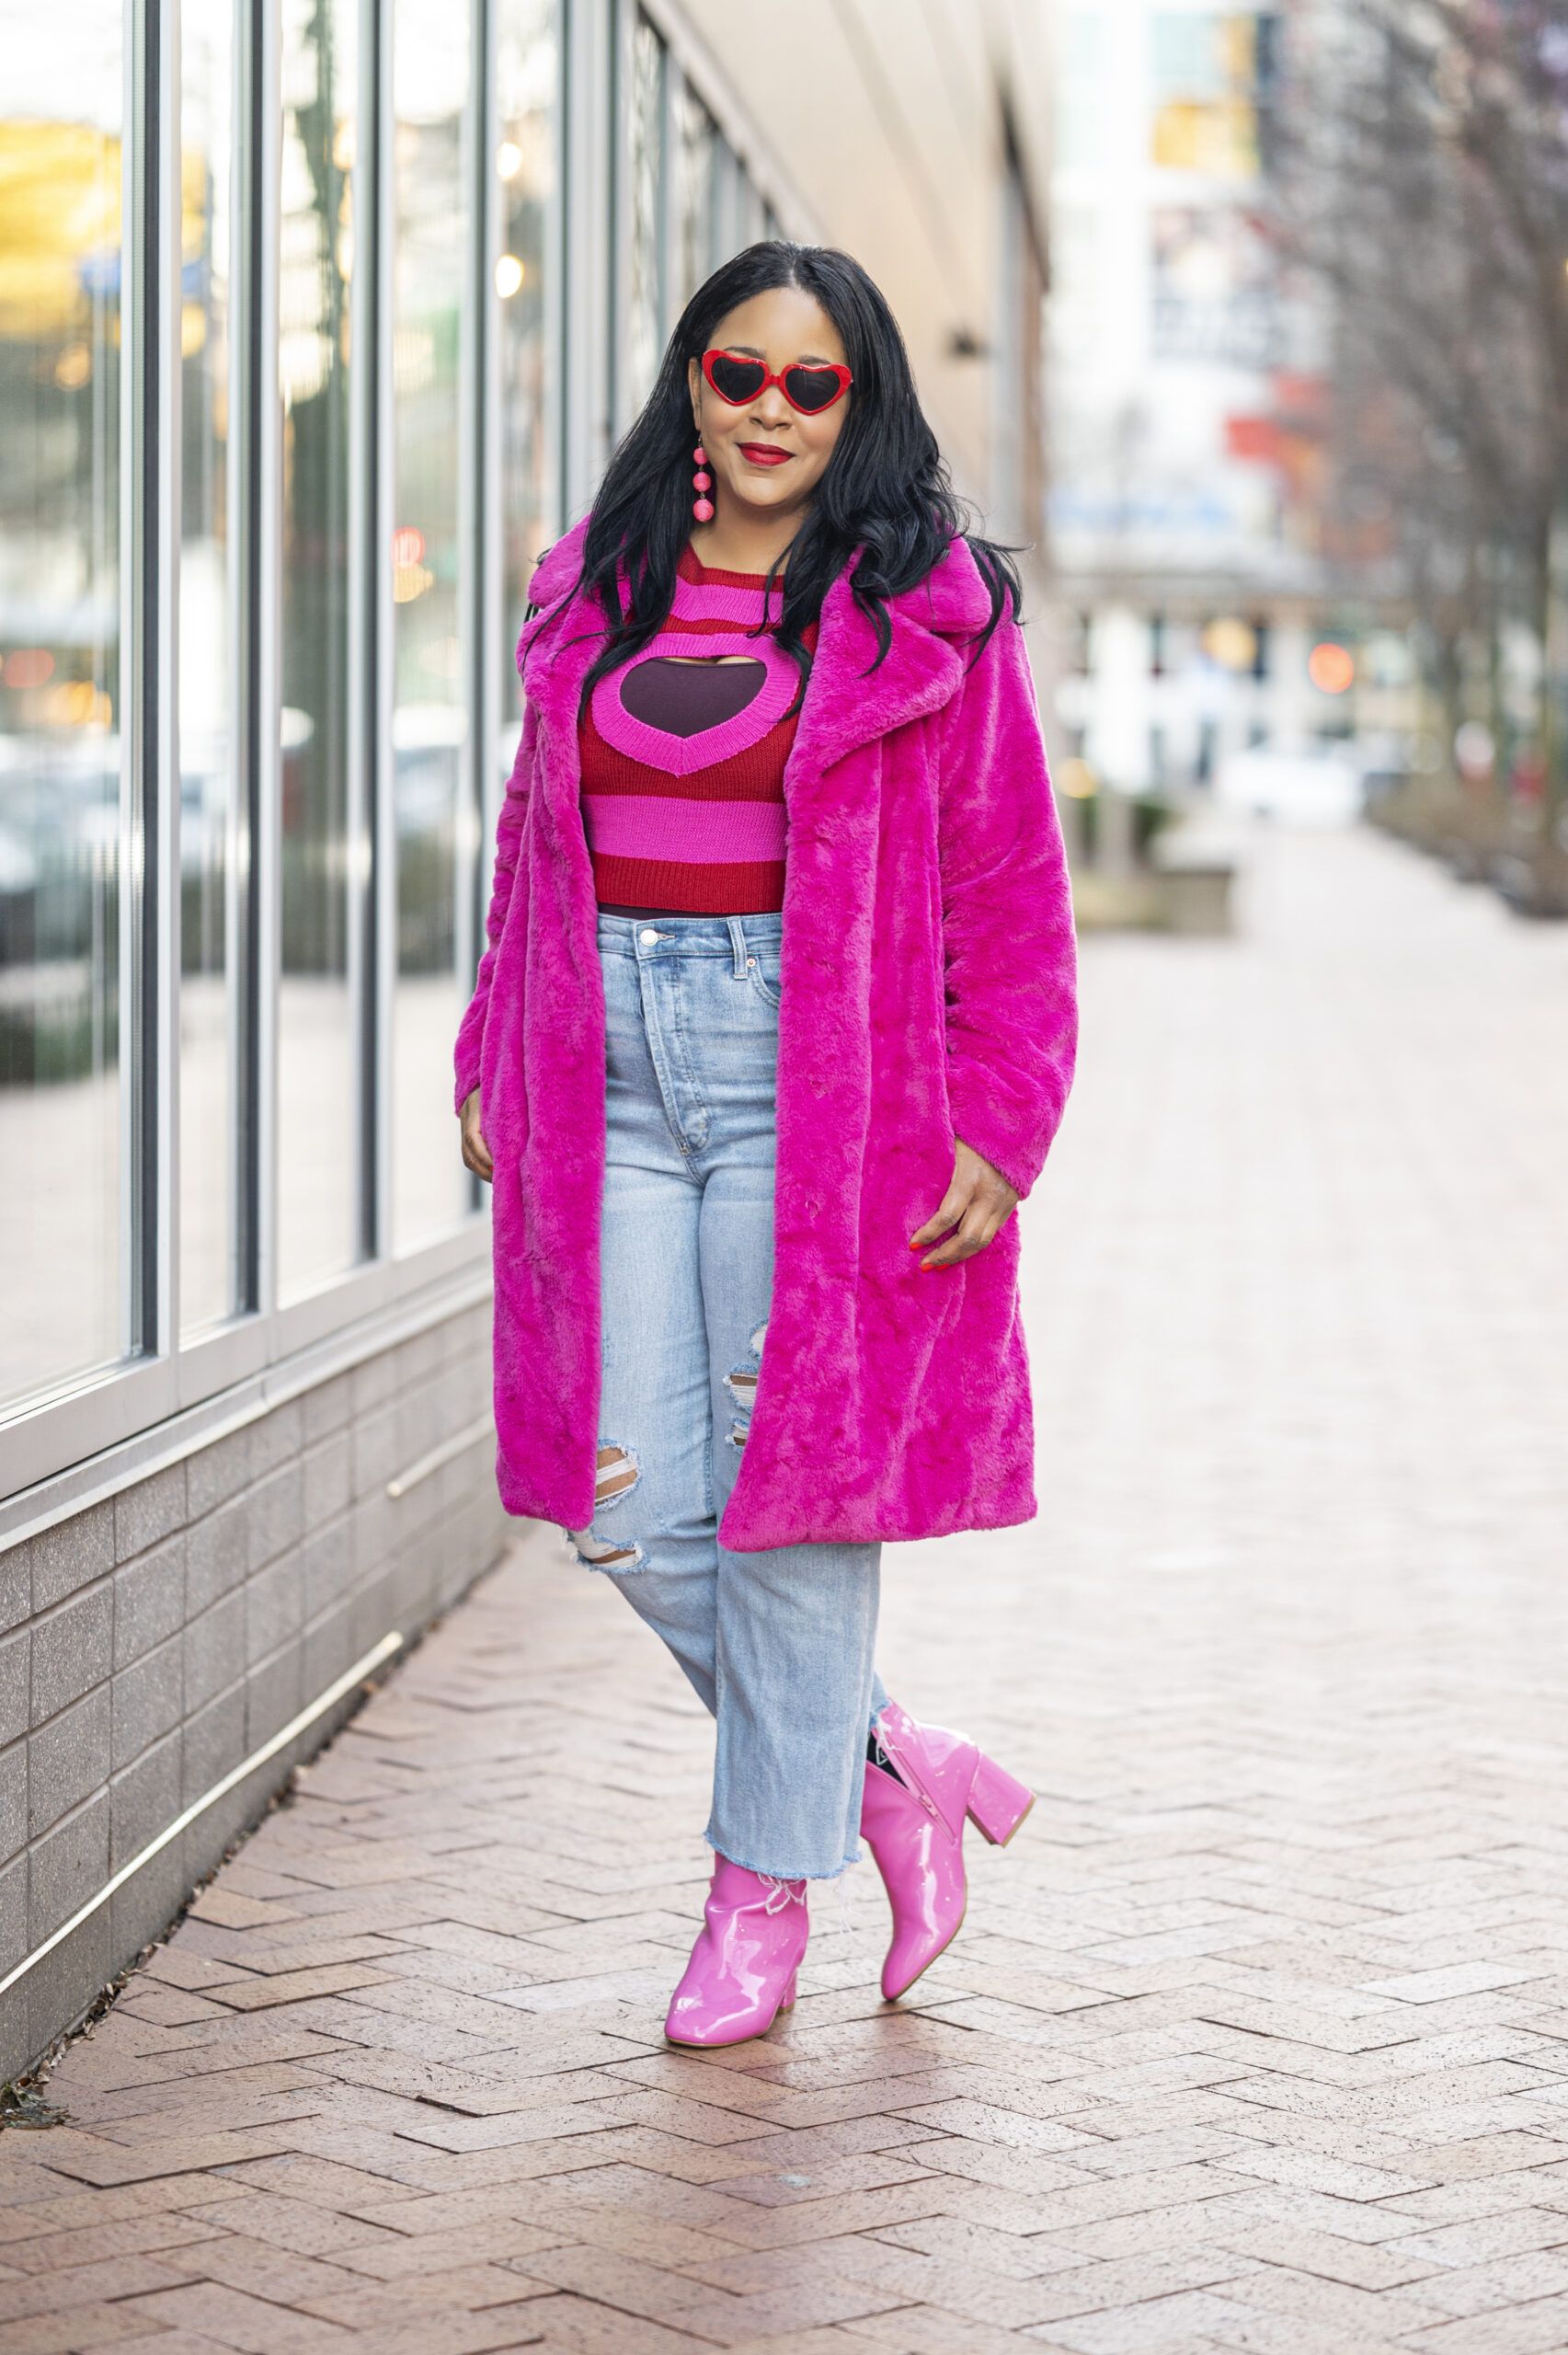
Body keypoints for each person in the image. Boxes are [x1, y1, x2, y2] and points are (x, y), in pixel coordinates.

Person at [455, 242, 1077, 2049]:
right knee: (631, 1500)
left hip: (825, 1083)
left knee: (790, 1492)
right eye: (745, 375)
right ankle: (889, 1760)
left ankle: (757, 1890)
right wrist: (496, 1037)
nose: (776, 412)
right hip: (610, 1077)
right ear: (694, 382)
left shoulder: (922, 617)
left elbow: (1011, 899)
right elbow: (529, 848)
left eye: (816, 385)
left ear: (859, 401)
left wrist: (1000, 1123)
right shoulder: (592, 591)